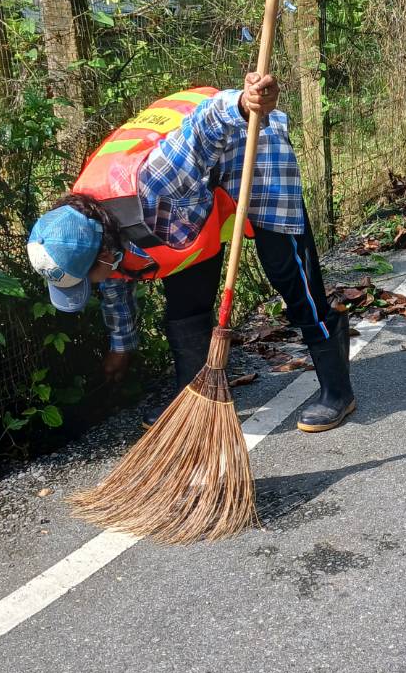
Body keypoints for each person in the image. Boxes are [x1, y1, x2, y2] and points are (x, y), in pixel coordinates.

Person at [26, 73, 355, 433]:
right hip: (185, 207)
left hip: (249, 141)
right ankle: (194, 401)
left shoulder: (155, 181)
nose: (93, 286)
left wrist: (245, 105)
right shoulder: (83, 225)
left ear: (104, 253)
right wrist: (121, 347)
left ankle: (337, 390)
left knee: (288, 272)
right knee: (185, 297)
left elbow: (206, 124)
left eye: (88, 279)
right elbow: (117, 283)